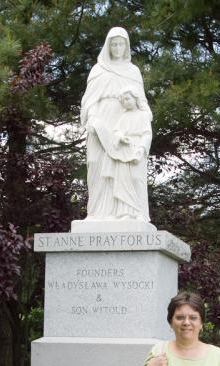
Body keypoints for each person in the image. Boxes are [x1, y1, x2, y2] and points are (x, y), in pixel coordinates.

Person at [80, 27, 152, 221]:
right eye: (114, 44)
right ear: (108, 46)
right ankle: (96, 213)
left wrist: (145, 116)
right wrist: (93, 117)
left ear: (126, 46)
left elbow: (141, 100)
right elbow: (89, 100)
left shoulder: (133, 71)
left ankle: (125, 211)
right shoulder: (98, 70)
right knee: (96, 163)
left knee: (123, 169)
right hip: (100, 120)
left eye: (121, 44)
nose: (117, 47)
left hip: (125, 120)